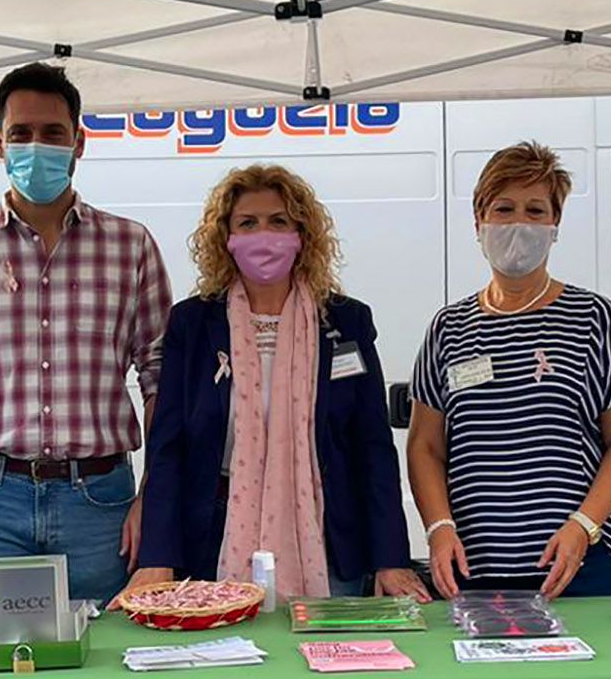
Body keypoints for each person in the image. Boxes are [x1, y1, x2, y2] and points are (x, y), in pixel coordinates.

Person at [0, 63, 172, 611]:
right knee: (1, 670)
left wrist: (154, 496)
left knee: (107, 662)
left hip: (100, 501)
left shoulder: (130, 246)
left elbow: (161, 375)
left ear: (79, 142)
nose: (36, 147)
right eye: (21, 133)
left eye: (52, 133)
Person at [120, 164, 426, 603]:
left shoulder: (345, 322)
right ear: (226, 238)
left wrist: (391, 558)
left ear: (301, 235)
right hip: (214, 536)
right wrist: (157, 557)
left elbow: (372, 448)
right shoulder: (193, 323)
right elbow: (169, 449)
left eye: (278, 221)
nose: (264, 234)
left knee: (324, 661)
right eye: (248, 223)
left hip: (325, 535)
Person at [406, 142, 611, 598]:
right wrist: (439, 526)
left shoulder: (593, 317)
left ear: (555, 225)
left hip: (581, 565)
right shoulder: (449, 328)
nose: (519, 223)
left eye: (536, 210)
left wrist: (584, 525)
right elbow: (424, 445)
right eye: (504, 208)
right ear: (478, 222)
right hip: (474, 567)